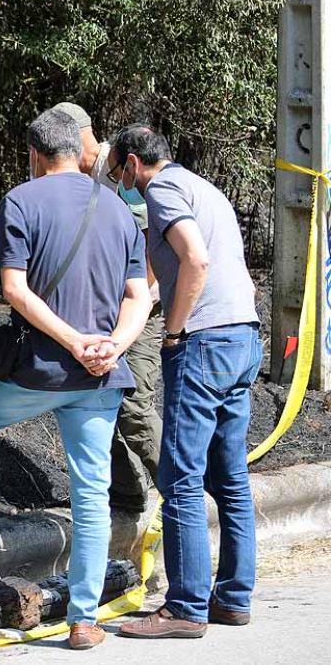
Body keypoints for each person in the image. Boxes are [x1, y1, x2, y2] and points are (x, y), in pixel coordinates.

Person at [0, 109, 151, 651]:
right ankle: (84, 618)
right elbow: (139, 296)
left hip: (43, 370)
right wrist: (111, 345)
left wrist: (72, 343)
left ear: (34, 153)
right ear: (80, 149)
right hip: (102, 375)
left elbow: (16, 291)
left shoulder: (22, 200)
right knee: (91, 494)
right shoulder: (118, 208)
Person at [114, 125, 262, 639]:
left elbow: (195, 260)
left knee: (180, 478)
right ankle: (233, 598)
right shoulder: (204, 187)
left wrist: (173, 331)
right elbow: (175, 270)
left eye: (118, 172)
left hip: (204, 341)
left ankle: (184, 607)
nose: (120, 182)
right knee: (230, 477)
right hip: (243, 336)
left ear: (133, 163)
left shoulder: (161, 190)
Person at [52, 102, 163, 514]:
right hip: (106, 307)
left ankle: (187, 495)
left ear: (82, 134)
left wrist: (137, 302)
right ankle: (129, 493)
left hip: (144, 309)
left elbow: (153, 241)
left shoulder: (116, 173)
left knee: (133, 407)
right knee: (97, 397)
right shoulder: (78, 177)